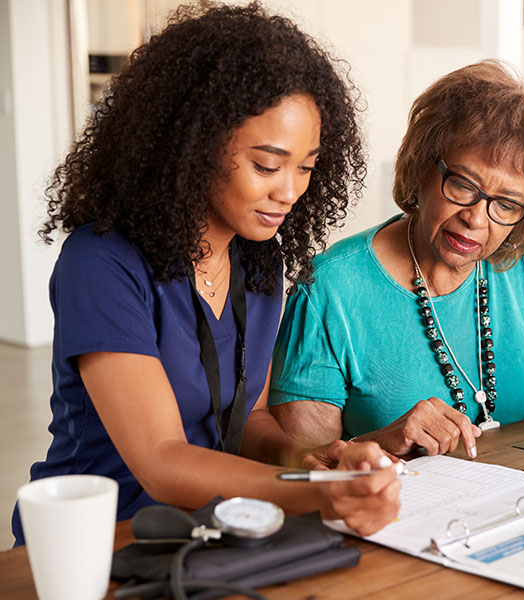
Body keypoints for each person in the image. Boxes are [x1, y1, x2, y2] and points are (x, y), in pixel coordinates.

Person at [11, 2, 400, 546]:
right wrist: (314, 492)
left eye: (306, 167)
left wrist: (316, 462)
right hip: (97, 542)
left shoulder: (259, 258)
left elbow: (250, 421)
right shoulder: (101, 263)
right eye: (266, 165)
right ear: (191, 147)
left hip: (212, 533)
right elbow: (163, 462)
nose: (289, 192)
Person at [268, 60, 524, 459]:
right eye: (463, 185)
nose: (476, 218)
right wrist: (381, 443)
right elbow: (304, 469)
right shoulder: (330, 290)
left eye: (506, 203)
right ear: (421, 169)